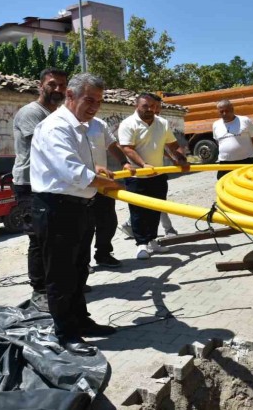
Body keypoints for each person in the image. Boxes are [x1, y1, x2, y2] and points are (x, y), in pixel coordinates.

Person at [30, 73, 124, 356]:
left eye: (99, 101)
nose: (95, 107)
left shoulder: (80, 126)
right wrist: (111, 184)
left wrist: (98, 172)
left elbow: (80, 166)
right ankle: (66, 334)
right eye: (89, 100)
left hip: (79, 206)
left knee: (79, 269)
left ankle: (80, 321)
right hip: (57, 208)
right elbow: (70, 171)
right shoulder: (55, 127)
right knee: (60, 274)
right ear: (70, 95)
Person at [12, 67, 68, 312]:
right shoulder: (31, 113)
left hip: (48, 183)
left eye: (62, 86)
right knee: (37, 239)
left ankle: (56, 285)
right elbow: (48, 146)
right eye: (52, 84)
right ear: (40, 85)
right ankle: (40, 291)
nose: (58, 89)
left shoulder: (56, 113)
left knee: (54, 237)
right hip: (29, 184)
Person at [118, 93, 190, 259]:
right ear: (137, 106)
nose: (150, 109)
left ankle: (152, 241)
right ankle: (141, 244)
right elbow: (127, 148)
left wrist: (181, 158)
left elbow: (172, 144)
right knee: (138, 212)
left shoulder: (162, 123)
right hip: (137, 176)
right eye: (145, 106)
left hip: (158, 175)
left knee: (156, 210)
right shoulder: (128, 124)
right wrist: (143, 165)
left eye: (152, 106)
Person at [86, 115, 135, 268]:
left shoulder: (99, 124)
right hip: (80, 184)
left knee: (108, 221)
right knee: (84, 226)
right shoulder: (65, 124)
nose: (93, 106)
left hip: (102, 181)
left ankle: (103, 254)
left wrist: (124, 162)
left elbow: (112, 145)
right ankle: (82, 262)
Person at [212, 99, 253, 179]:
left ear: (232, 109)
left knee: (245, 183)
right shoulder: (216, 124)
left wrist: (249, 152)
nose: (224, 113)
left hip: (245, 161)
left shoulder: (244, 120)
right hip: (225, 162)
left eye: (227, 111)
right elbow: (218, 141)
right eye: (221, 111)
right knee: (223, 182)